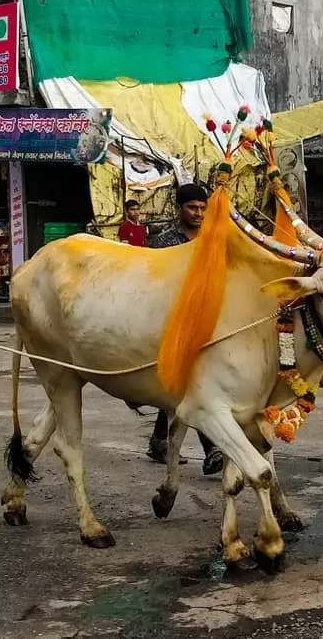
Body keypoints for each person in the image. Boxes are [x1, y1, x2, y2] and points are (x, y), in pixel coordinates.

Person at [143, 183, 223, 476]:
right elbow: (151, 280)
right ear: (179, 209)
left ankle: (160, 441)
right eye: (192, 208)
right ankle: (212, 447)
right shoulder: (163, 243)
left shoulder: (213, 239)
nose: (198, 213)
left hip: (207, 319)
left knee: (181, 386)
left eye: (203, 208)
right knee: (191, 382)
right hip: (170, 319)